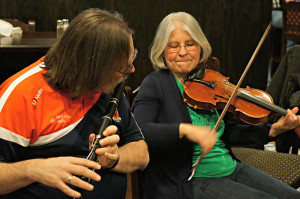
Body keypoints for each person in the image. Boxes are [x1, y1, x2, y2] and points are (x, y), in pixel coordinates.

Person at [131, 12, 300, 199]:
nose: (182, 52)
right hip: (189, 179)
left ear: (200, 46)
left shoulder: (210, 81)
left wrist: (273, 130)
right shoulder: (154, 84)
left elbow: (230, 132)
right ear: (162, 50)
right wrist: (185, 130)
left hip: (231, 168)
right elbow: (139, 130)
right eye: (173, 45)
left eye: (190, 44)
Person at [0, 8, 149, 199]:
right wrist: (33, 169)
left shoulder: (108, 87)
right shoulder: (23, 94)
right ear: (94, 69)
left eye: (132, 60)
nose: (132, 70)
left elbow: (142, 154)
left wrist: (114, 158)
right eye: (124, 68)